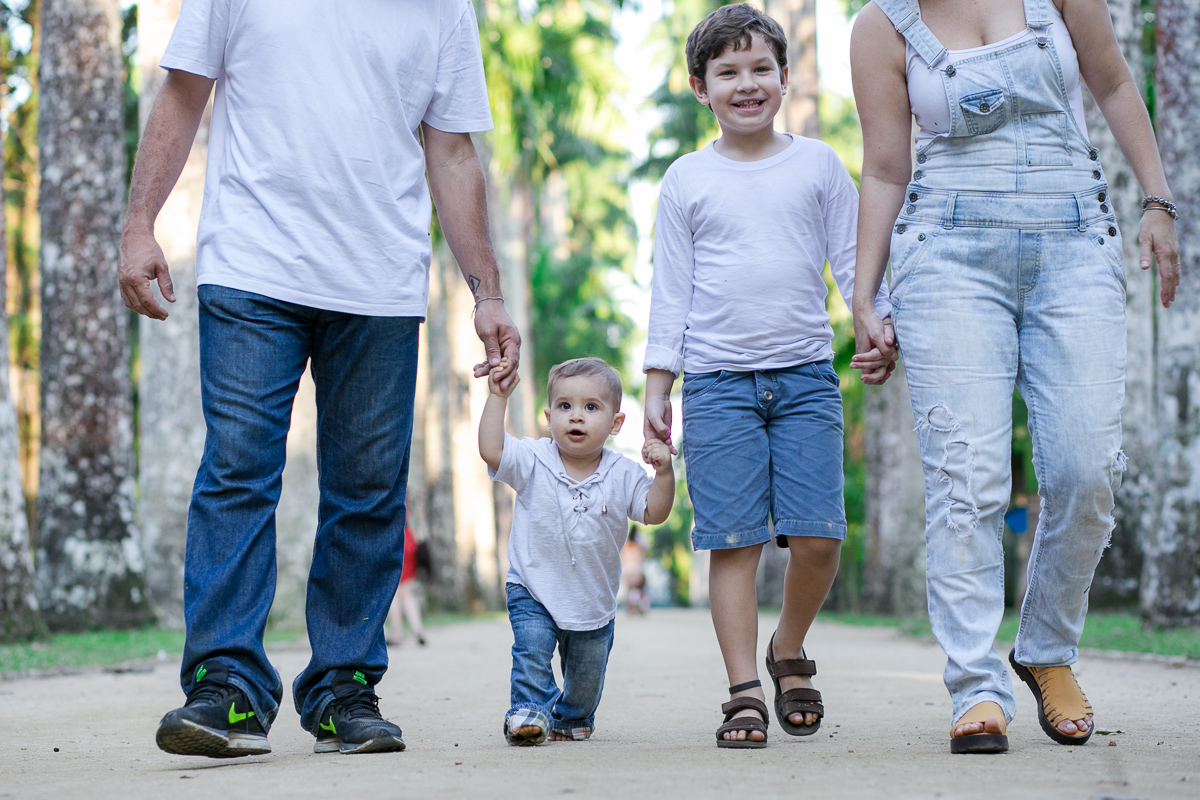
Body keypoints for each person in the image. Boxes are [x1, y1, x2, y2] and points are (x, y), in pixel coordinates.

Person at [119, 0, 521, 758]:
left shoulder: (443, 8)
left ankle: (343, 688)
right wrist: (140, 223)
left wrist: (487, 292)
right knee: (237, 471)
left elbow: (452, 152)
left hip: (379, 282)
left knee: (367, 490)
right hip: (252, 265)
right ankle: (226, 687)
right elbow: (182, 91)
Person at [849, 0, 1179, 754]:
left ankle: (1046, 648)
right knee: (966, 480)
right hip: (947, 257)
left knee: (1088, 470)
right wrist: (866, 296)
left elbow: (1113, 82)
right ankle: (975, 684)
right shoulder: (880, 27)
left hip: (1075, 245)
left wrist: (1157, 200)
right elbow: (885, 166)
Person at [642, 3, 895, 749]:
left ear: (785, 77)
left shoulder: (817, 165)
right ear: (701, 87)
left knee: (818, 538)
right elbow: (670, 291)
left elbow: (854, 259)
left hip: (806, 379)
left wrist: (875, 321)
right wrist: (658, 383)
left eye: (761, 69)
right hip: (717, 385)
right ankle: (743, 691)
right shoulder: (687, 180)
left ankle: (788, 644)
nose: (746, 84)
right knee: (735, 542)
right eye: (728, 73)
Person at [479, 357, 675, 745]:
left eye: (591, 407)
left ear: (616, 423)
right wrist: (498, 398)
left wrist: (664, 473)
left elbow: (654, 511)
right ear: (548, 417)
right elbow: (491, 450)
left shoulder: (623, 474)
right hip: (532, 585)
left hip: (592, 597)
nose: (576, 416)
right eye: (565, 406)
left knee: (586, 679)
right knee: (531, 651)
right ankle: (529, 711)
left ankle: (571, 717)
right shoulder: (534, 459)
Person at [386, 524, 426, 647]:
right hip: (408, 541)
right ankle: (418, 631)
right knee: (408, 594)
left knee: (394, 595)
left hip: (391, 540)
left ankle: (397, 635)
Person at [621, 528, 651, 615]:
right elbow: (642, 555)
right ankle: (640, 605)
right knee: (639, 587)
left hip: (626, 568)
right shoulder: (638, 544)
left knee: (630, 588)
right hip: (636, 567)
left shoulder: (626, 544)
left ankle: (630, 606)